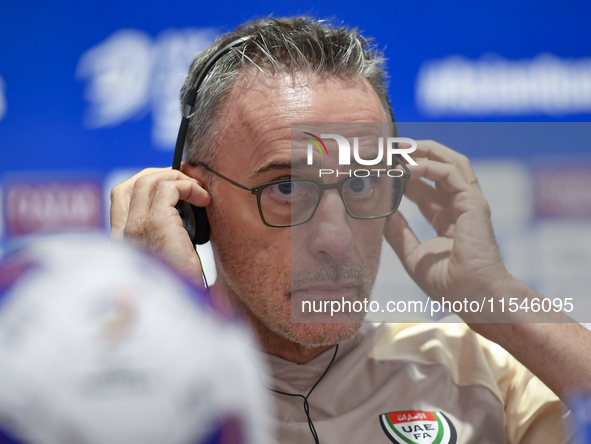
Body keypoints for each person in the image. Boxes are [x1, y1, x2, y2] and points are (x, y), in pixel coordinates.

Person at [110, 17, 591, 443]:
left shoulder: (482, 372)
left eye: (363, 182)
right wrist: (168, 325)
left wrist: (496, 298)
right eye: (287, 187)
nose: (336, 240)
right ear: (194, 202)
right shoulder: (107, 384)